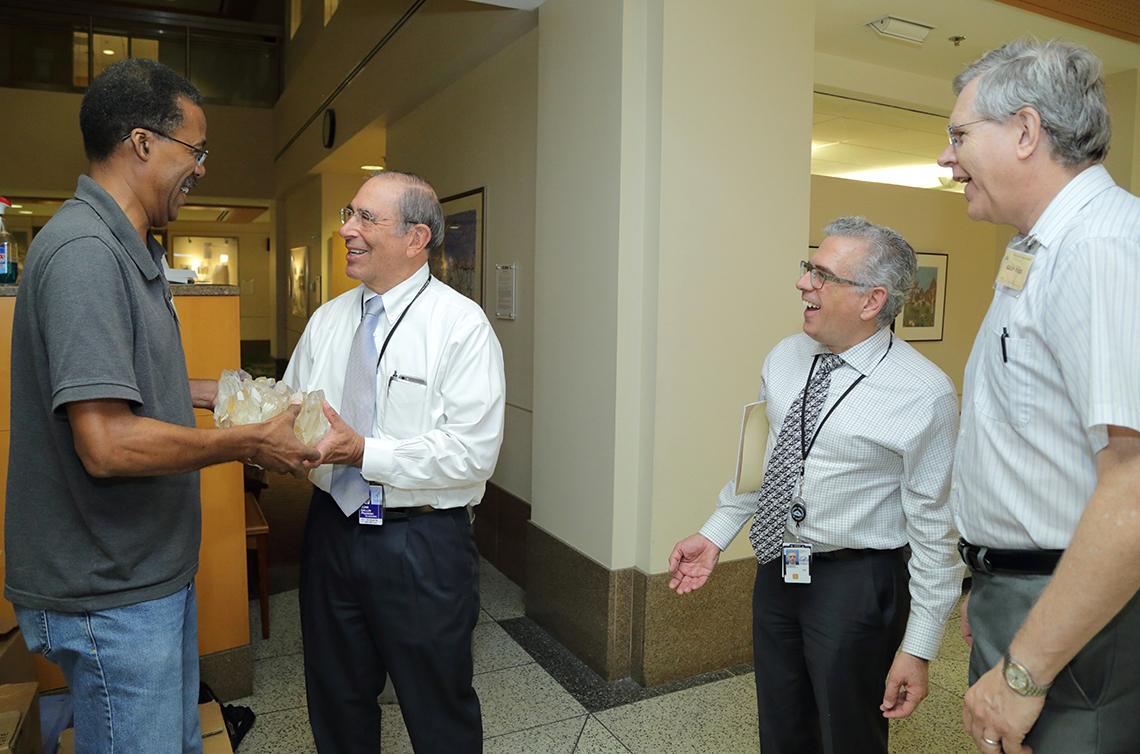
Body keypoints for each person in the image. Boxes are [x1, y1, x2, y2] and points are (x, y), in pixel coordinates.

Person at [3, 58, 319, 754]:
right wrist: (247, 444)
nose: (202, 168)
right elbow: (108, 442)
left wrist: (222, 395)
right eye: (195, 150)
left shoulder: (130, 249)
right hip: (109, 592)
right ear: (143, 143)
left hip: (142, 577)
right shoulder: (87, 253)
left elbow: (127, 384)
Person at [668, 217, 962, 754]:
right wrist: (714, 535)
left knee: (846, 733)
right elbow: (764, 463)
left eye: (822, 275)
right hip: (778, 569)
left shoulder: (925, 394)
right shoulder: (784, 357)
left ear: (872, 300)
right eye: (809, 269)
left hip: (858, 584)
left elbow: (935, 530)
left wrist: (918, 647)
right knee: (781, 724)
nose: (804, 284)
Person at [938, 38, 1140, 754]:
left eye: (959, 135)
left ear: (1026, 132)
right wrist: (988, 576)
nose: (946, 158)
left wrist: (1023, 673)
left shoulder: (1100, 249)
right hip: (1029, 592)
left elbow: (1135, 486)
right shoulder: (1040, 250)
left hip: (1078, 614)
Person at [283, 170, 505, 753]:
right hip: (331, 530)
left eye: (365, 219)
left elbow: (471, 453)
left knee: (437, 710)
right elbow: (293, 405)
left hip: (421, 543)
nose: (347, 231)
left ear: (416, 238)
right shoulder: (329, 320)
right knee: (336, 700)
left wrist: (364, 451)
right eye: (348, 215)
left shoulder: (461, 327)